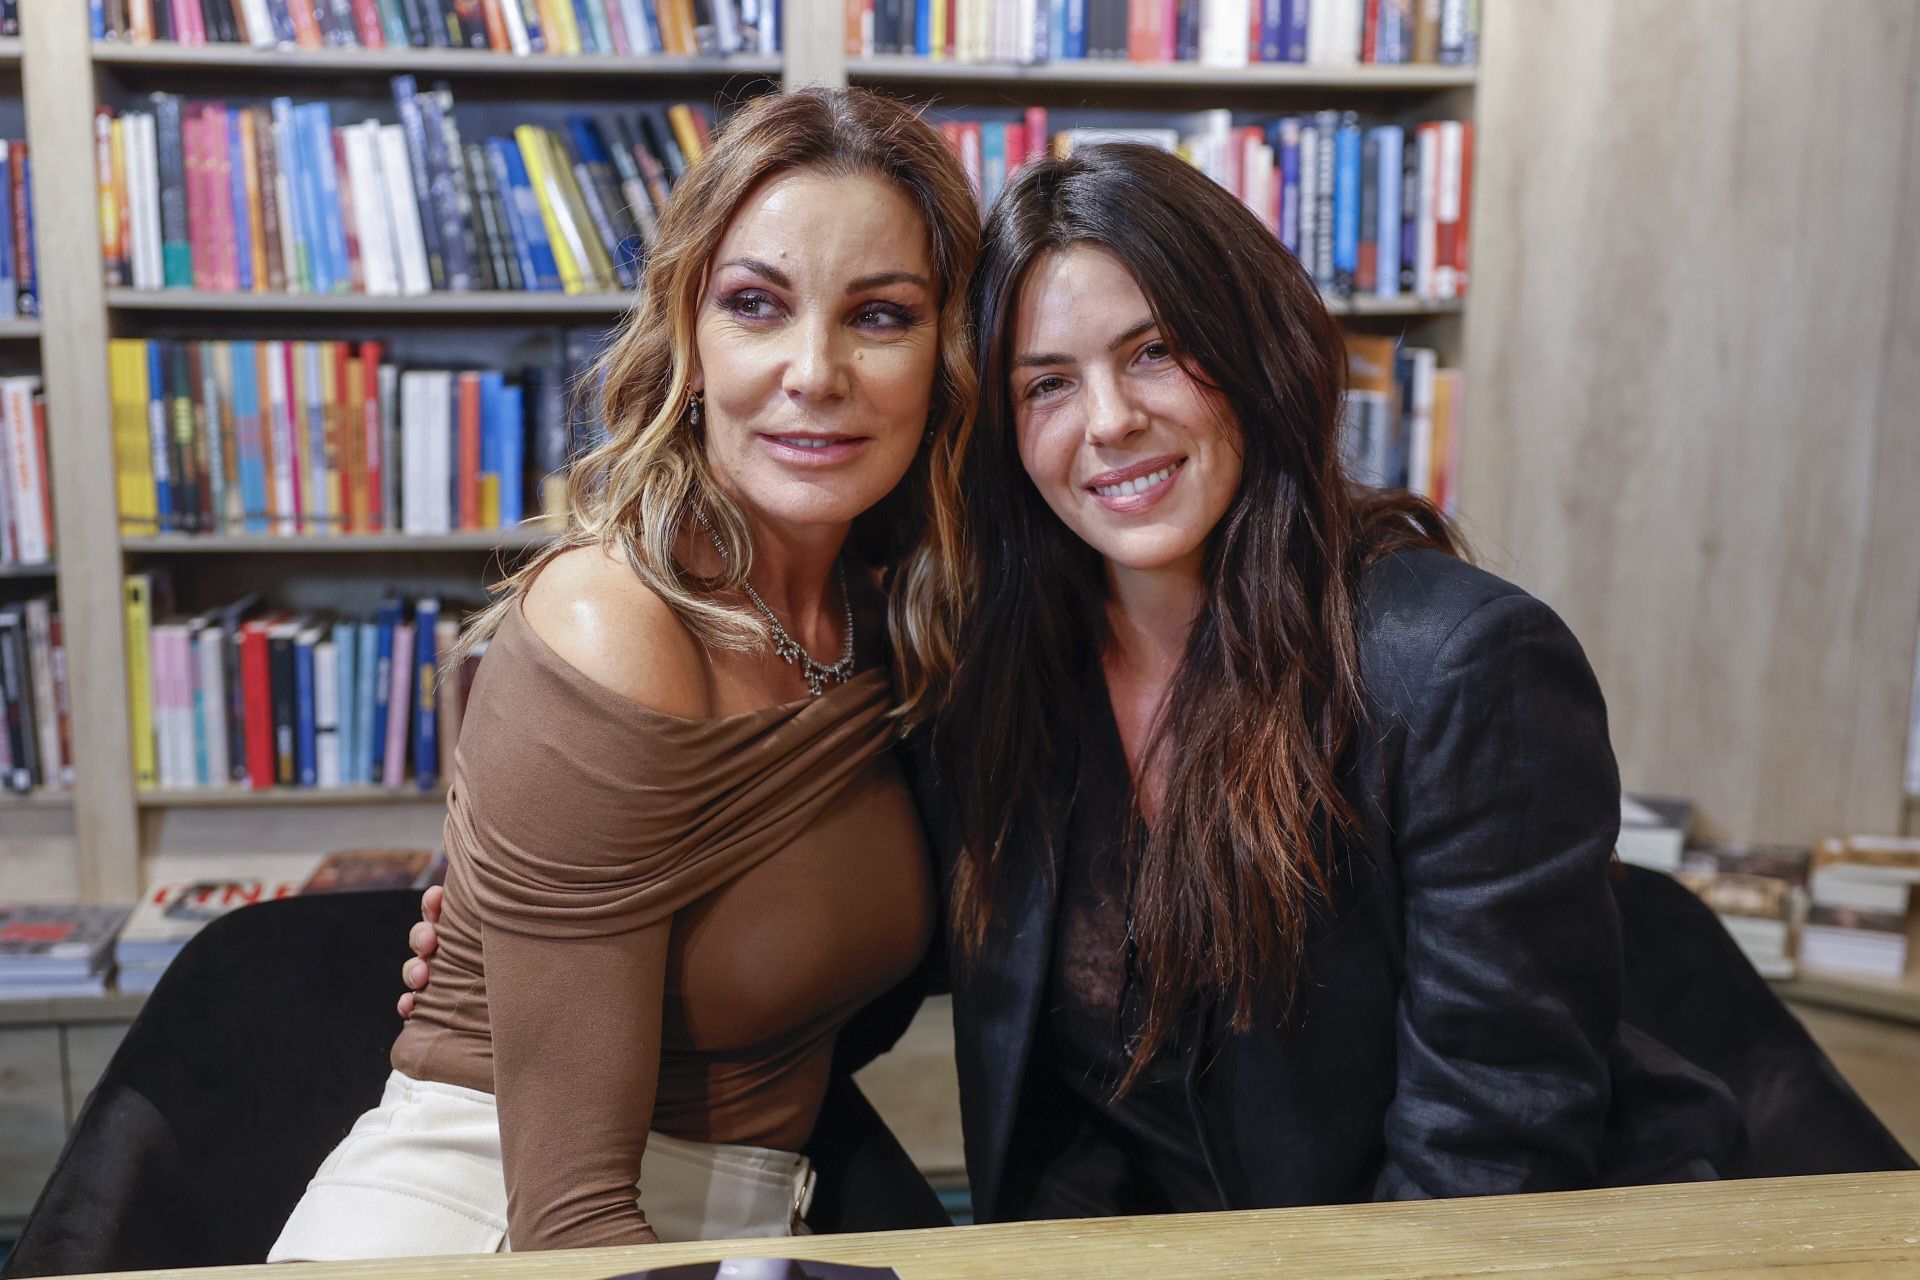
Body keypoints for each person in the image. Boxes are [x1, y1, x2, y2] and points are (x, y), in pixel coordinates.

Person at [400, 141, 1744, 1228]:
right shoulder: (994, 664)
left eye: (1156, 352)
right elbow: (866, 953)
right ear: (993, 420)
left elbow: (1490, 1148)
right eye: (1049, 382)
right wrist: (524, 951)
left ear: (1259, 354)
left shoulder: (1457, 663)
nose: (1108, 423)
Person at [270, 87, 980, 1259]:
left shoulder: (891, 612)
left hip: (740, 1222)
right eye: (756, 304)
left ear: (944, 355)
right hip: (494, 1224)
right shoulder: (616, 617)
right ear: (690, 340)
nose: (813, 370)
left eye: (881, 315)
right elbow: (569, 1218)